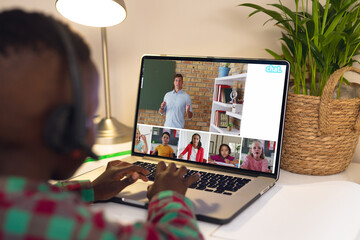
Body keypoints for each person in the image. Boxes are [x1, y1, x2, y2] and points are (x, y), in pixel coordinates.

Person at [0, 9, 202, 240]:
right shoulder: (61, 224)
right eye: (89, 118)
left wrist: (89, 190)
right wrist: (168, 197)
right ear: (63, 128)